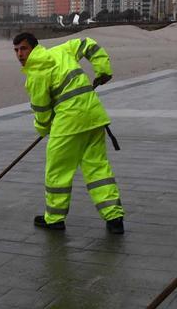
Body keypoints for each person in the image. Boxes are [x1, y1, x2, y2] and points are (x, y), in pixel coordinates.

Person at [13, 32, 124, 234]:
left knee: (57, 172)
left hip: (68, 125)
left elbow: (42, 112)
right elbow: (88, 43)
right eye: (16, 50)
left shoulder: (36, 74)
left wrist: (44, 129)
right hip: (93, 116)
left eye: (23, 48)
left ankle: (54, 219)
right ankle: (114, 218)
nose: (20, 54)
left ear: (34, 47)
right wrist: (103, 69)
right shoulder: (62, 50)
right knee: (98, 169)